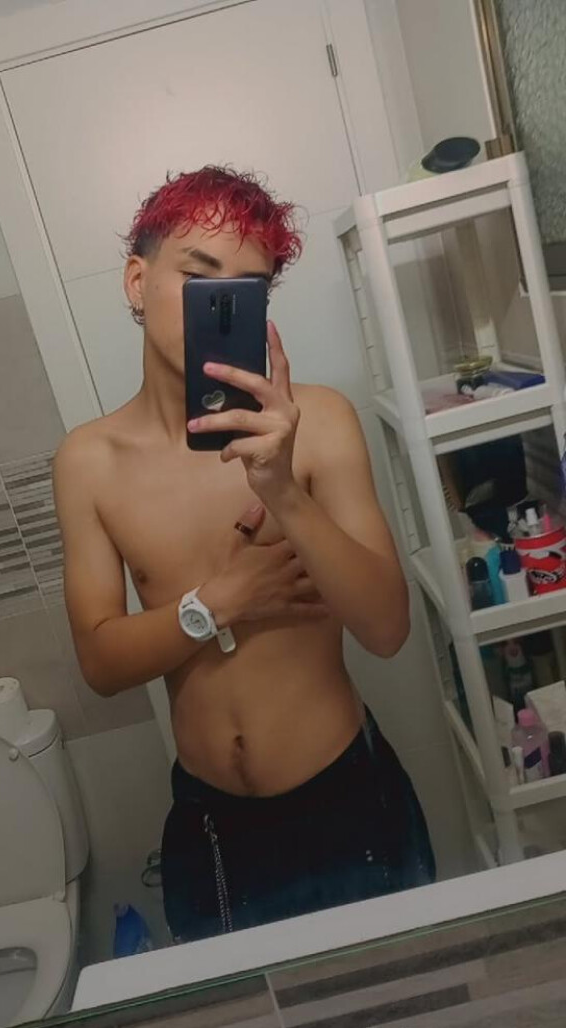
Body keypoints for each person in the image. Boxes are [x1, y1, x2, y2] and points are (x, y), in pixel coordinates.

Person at [53, 165, 435, 944]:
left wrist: (282, 489)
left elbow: (388, 628)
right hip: (211, 824)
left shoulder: (318, 423)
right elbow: (100, 662)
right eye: (199, 278)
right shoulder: (89, 462)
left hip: (347, 799)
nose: (222, 306)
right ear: (137, 282)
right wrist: (219, 602)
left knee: (409, 993)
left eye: (247, 288)